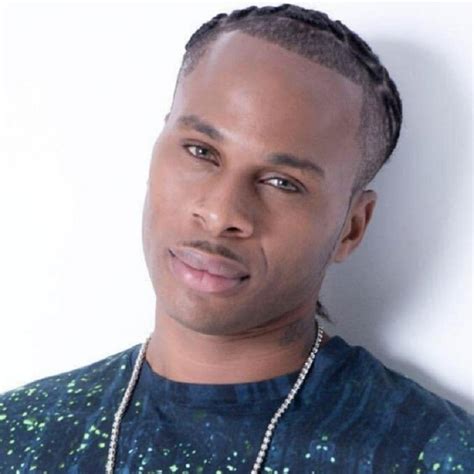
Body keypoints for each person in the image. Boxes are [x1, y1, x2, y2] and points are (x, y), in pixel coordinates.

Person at [0, 4, 472, 473]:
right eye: (201, 151)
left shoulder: (435, 455)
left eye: (283, 182)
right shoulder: (18, 432)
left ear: (352, 227)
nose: (221, 213)